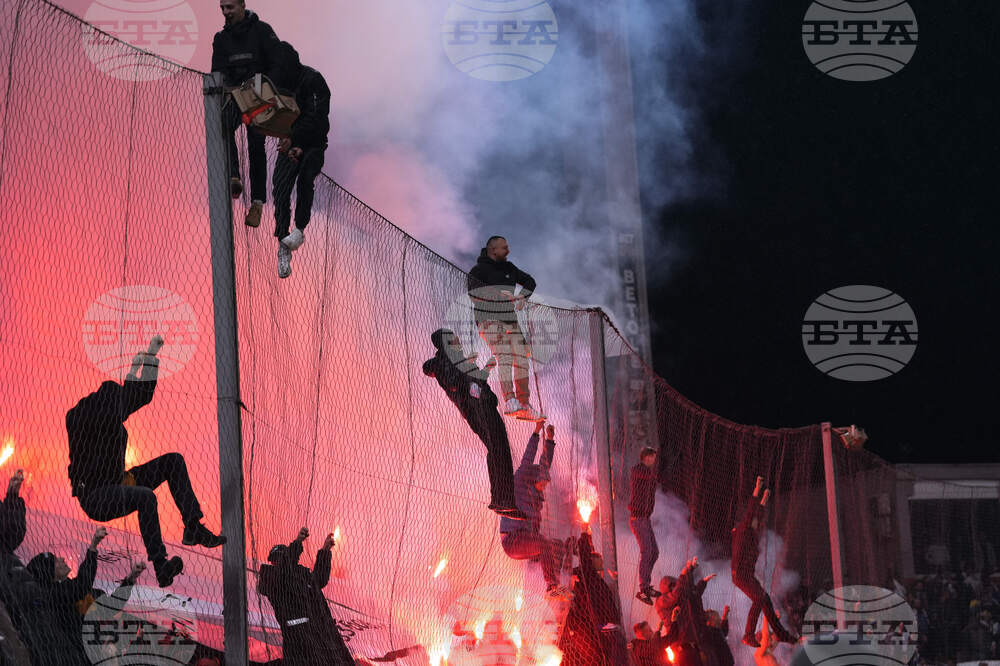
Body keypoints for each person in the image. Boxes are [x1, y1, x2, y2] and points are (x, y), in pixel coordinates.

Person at [66, 335, 224, 588]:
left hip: (118, 481)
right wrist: (136, 367)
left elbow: (137, 397)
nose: (126, 410)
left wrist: (149, 358)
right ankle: (160, 564)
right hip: (96, 496)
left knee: (173, 461)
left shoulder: (106, 409)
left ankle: (193, 526)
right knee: (146, 497)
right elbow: (129, 399)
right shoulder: (80, 419)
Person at [422, 328, 524, 520]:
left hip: (484, 405)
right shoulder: (444, 362)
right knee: (497, 449)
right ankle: (503, 501)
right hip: (476, 409)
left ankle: (503, 500)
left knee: (498, 449)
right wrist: (467, 368)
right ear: (445, 344)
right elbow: (454, 382)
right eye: (454, 340)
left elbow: (477, 381)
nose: (458, 342)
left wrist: (487, 366)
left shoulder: (457, 359)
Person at [211, 0, 281, 227]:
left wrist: (266, 89)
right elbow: (217, 73)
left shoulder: (263, 31)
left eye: (229, 7)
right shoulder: (221, 39)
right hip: (233, 96)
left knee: (256, 144)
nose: (225, 12)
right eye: (222, 8)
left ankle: (258, 202)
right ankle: (234, 177)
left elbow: (278, 64)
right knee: (223, 125)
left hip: (258, 96)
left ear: (242, 5)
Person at [271, 42, 331, 278]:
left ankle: (299, 229)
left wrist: (295, 140)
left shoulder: (313, 80)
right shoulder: (280, 82)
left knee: (306, 178)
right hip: (289, 142)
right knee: (280, 187)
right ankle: (283, 241)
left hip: (313, 144)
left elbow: (317, 119)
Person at [467, 236, 544, 421]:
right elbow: (473, 294)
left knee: (522, 359)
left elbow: (530, 281)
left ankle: (524, 404)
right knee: (505, 356)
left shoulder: (510, 269)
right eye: (504, 247)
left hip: (510, 321)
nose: (508, 250)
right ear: (493, 250)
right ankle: (510, 400)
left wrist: (522, 297)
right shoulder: (478, 270)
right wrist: (498, 294)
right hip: (488, 320)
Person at [258, 527, 355, 666]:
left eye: (283, 557)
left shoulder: (301, 576)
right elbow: (284, 571)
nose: (280, 561)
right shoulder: (272, 578)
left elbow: (319, 580)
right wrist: (297, 543)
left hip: (320, 632)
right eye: (278, 559)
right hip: (298, 638)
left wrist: (325, 551)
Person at [499, 421, 570, 600]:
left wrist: (551, 440)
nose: (543, 487)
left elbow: (545, 464)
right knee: (546, 546)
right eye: (542, 483)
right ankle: (552, 586)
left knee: (558, 545)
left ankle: (555, 583)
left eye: (546, 484)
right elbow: (528, 458)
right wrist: (537, 431)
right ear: (533, 479)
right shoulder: (521, 482)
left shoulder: (537, 491)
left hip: (527, 538)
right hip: (513, 539)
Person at [26, 527, 109, 665]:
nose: (62, 558)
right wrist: (93, 545)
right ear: (50, 574)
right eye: (55, 561)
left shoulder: (57, 593)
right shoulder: (56, 594)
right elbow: (82, 584)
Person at [731, 476, 795, 647]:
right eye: (754, 520)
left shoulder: (750, 533)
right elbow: (752, 511)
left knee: (765, 599)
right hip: (741, 576)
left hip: (747, 575)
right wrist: (757, 489)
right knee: (759, 598)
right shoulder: (743, 530)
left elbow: (756, 514)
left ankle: (782, 634)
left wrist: (765, 498)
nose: (757, 522)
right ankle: (748, 634)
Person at [561, 525, 627, 666]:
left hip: (600, 625)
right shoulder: (587, 575)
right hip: (591, 625)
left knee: (602, 658)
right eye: (599, 559)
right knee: (596, 659)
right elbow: (585, 557)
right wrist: (585, 534)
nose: (602, 561)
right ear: (591, 561)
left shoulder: (595, 579)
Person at [630, 447, 661, 605]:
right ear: (646, 458)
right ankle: (643, 589)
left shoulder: (650, 474)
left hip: (645, 519)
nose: (654, 461)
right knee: (647, 551)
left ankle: (646, 585)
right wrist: (654, 474)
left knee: (654, 552)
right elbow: (646, 476)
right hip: (637, 518)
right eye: (652, 458)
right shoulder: (638, 470)